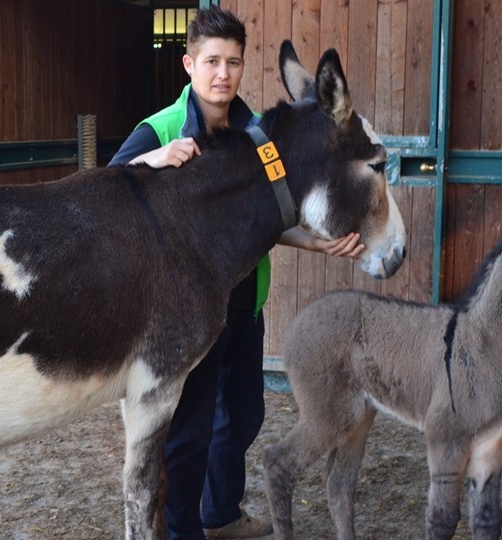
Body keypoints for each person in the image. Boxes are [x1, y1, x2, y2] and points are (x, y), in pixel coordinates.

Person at [109, 7, 363, 539]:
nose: (222, 73)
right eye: (211, 62)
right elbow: (105, 190)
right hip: (185, 311)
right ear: (188, 64)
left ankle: (220, 513)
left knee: (244, 414)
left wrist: (316, 243)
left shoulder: (257, 136)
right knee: (189, 429)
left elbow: (273, 212)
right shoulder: (159, 130)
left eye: (233, 62)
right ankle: (181, 531)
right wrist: (153, 161)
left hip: (243, 301)